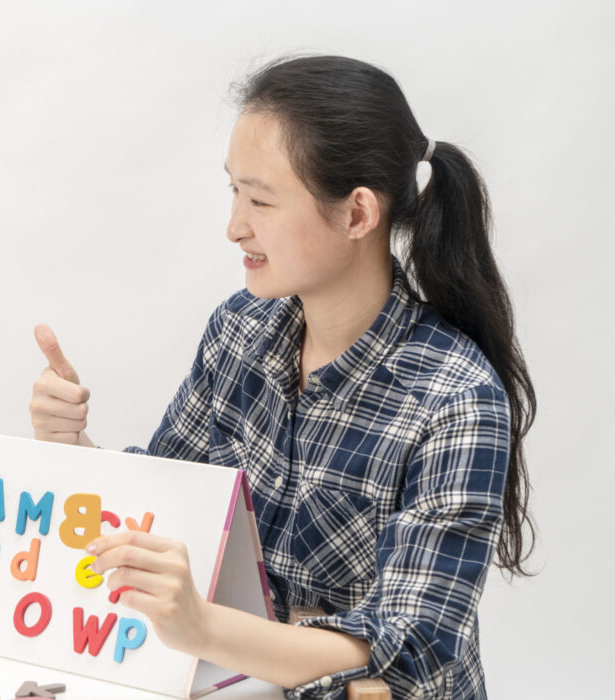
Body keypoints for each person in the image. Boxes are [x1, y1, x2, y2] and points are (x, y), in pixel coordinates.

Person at [28, 55, 535, 698]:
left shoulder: (457, 400)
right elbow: (171, 510)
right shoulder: (242, 330)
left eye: (261, 199)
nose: (235, 226)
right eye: (234, 191)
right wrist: (72, 449)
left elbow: (409, 651)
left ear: (357, 215)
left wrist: (202, 627)